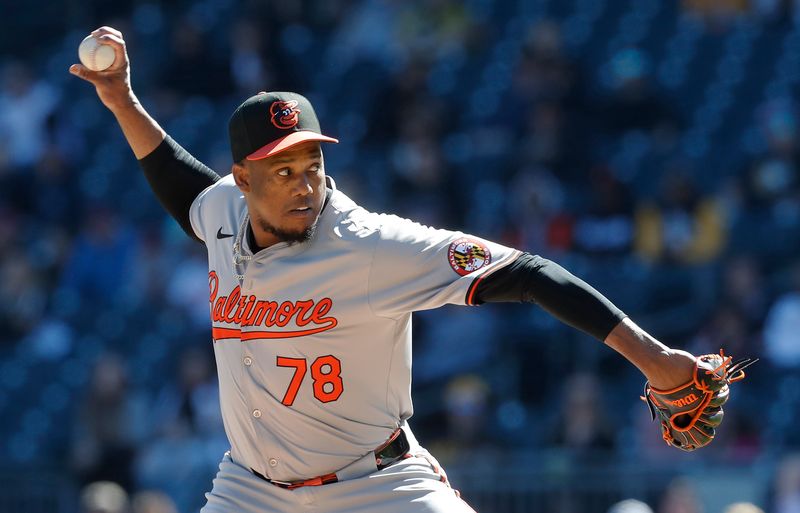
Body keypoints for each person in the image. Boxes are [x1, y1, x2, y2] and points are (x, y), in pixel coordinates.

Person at [71, 26, 707, 513]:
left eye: (311, 166)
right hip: (251, 490)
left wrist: (655, 360)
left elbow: (528, 273)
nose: (303, 186)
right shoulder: (222, 211)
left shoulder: (371, 245)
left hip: (377, 487)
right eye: (282, 171)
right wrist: (122, 99)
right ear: (243, 179)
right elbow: (181, 187)